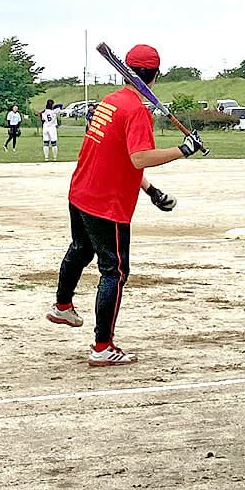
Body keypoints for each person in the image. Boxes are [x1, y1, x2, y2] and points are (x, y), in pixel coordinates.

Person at [46, 44, 204, 366]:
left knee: (81, 247)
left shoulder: (110, 102)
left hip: (81, 193)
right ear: (156, 76)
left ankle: (62, 306)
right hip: (106, 203)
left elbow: (117, 158)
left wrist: (150, 190)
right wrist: (182, 150)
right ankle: (102, 347)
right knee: (114, 271)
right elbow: (139, 158)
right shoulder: (136, 110)